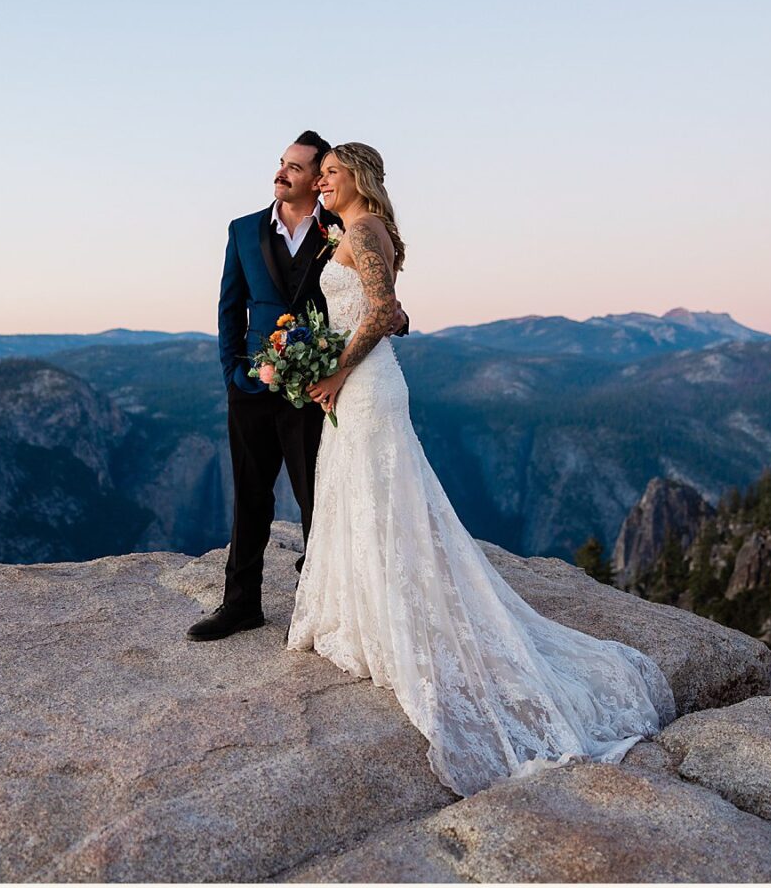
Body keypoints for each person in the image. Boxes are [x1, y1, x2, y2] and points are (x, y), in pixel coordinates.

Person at [289, 142, 678, 797]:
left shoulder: (362, 227)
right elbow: (393, 312)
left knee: (382, 499)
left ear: (357, 178)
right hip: (356, 385)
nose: (321, 180)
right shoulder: (353, 229)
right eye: (319, 173)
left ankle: (393, 624)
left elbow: (382, 313)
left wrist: (334, 368)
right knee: (360, 497)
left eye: (330, 172)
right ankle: (365, 615)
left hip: (368, 386)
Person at [188, 131, 407, 642]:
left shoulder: (342, 226)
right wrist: (232, 376)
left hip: (317, 390)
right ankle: (239, 605)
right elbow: (229, 308)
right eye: (280, 163)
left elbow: (377, 300)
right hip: (253, 386)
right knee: (249, 497)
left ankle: (320, 610)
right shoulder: (242, 230)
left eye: (296, 167)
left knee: (320, 500)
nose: (280, 173)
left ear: (316, 179)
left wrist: (393, 317)